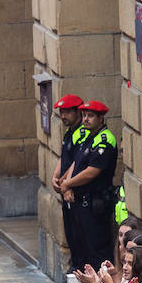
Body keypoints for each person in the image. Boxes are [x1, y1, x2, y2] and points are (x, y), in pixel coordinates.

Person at [61, 100, 119, 270]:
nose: (86, 119)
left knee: (97, 250)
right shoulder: (87, 136)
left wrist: (67, 184)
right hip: (81, 202)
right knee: (81, 248)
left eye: (91, 116)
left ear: (101, 118)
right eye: (84, 115)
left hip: (96, 204)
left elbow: (92, 171)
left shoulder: (105, 140)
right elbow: (76, 163)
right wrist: (67, 184)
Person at [49, 94, 85, 273]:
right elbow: (64, 156)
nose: (63, 116)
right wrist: (55, 175)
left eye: (67, 112)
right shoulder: (70, 132)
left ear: (78, 112)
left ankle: (79, 274)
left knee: (79, 238)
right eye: (61, 112)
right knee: (71, 235)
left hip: (76, 194)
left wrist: (67, 184)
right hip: (66, 191)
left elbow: (77, 161)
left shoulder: (82, 133)